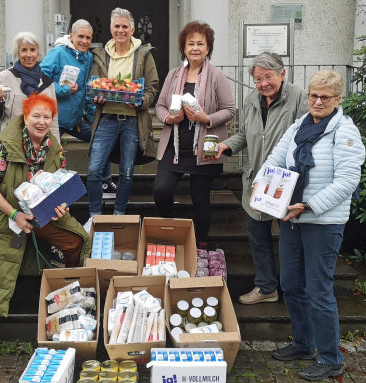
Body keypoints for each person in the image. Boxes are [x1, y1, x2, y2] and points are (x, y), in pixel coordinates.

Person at [0, 93, 91, 363]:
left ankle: (68, 294)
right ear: (25, 117)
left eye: (47, 117)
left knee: (75, 240)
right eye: (36, 116)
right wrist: (15, 214)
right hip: (3, 215)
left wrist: (61, 205)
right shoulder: (7, 146)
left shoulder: (53, 147)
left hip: (40, 214)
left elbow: (59, 183)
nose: (41, 122)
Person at [253, 70, 365, 381]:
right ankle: (303, 344)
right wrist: (261, 183)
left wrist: (311, 204)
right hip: (292, 217)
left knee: (319, 290)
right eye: (313, 95)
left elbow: (347, 182)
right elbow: (275, 158)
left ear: (338, 100)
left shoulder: (345, 133)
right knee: (290, 284)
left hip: (323, 221)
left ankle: (330, 358)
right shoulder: (299, 126)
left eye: (324, 97)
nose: (317, 101)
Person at [214, 52, 307, 304]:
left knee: (292, 239)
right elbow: (245, 133)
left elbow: (306, 135)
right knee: (257, 234)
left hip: (287, 182)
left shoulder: (298, 97)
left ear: (282, 74)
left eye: (269, 76)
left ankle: (296, 292)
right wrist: (227, 146)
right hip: (257, 179)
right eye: (258, 78)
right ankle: (266, 287)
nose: (263, 83)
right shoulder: (251, 99)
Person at [154, 21, 235, 249]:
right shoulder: (173, 75)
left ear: (208, 48)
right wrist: (168, 119)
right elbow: (160, 106)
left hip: (204, 147)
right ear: (184, 48)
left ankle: (201, 243)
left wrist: (206, 118)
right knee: (161, 190)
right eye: (191, 44)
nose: (195, 48)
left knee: (200, 199)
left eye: (201, 43)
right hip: (175, 146)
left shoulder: (217, 76)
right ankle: (171, 231)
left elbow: (229, 110)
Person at [86, 7, 159, 219]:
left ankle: (119, 214)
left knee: (127, 172)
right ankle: (95, 216)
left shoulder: (144, 53)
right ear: (110, 29)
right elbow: (94, 84)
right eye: (117, 26)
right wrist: (96, 96)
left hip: (132, 121)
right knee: (93, 171)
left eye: (125, 26)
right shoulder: (100, 55)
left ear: (132, 29)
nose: (120, 30)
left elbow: (152, 86)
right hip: (106, 119)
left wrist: (143, 101)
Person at [40, 19, 116, 199]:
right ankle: (58, 192)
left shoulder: (88, 58)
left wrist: (91, 118)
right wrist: (63, 90)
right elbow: (40, 80)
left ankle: (105, 181)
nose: (84, 41)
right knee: (54, 155)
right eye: (80, 36)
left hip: (75, 120)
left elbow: (86, 91)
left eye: (88, 38)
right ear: (71, 36)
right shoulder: (58, 53)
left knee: (101, 136)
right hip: (53, 119)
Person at [0, 31, 60, 142]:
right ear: (18, 53)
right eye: (24, 50)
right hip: (12, 145)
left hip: (40, 147)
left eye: (32, 50)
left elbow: (53, 121)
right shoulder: (5, 77)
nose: (29, 55)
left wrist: (57, 149)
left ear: (38, 52)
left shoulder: (47, 83)